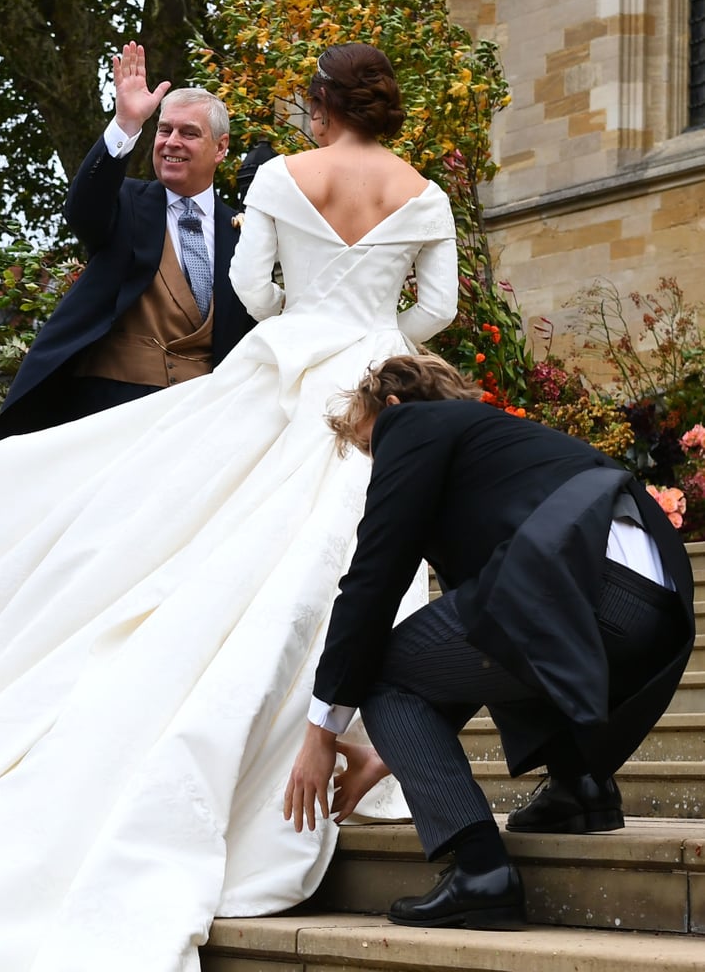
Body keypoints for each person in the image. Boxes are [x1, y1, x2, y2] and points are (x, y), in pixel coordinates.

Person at [0, 43, 458, 971]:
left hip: (285, 376)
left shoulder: (285, 177)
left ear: (326, 101)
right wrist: (375, 339)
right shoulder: (426, 194)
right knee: (355, 549)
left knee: (202, 549)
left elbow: (251, 293)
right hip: (373, 378)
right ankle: (365, 736)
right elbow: (439, 308)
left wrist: (309, 322)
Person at [285, 352, 695, 930]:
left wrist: (321, 731)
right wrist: (388, 753)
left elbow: (373, 577)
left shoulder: (411, 425)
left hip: (586, 591)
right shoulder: (499, 446)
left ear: (393, 407)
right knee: (488, 619)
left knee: (381, 671)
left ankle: (480, 869)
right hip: (655, 610)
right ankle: (580, 786)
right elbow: (471, 646)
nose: (378, 462)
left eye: (370, 444)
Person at [0, 41, 255, 437]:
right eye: (165, 130)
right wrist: (126, 124)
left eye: (189, 133)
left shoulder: (242, 230)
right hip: (109, 408)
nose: (171, 142)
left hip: (200, 418)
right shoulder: (127, 202)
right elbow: (83, 209)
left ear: (221, 148)